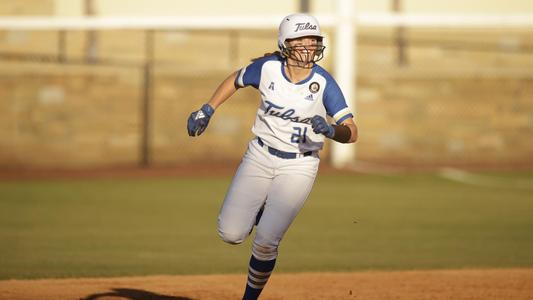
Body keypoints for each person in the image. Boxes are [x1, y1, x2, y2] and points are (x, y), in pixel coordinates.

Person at [187, 13, 358, 300]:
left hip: (299, 165)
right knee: (230, 234)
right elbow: (236, 79)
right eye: (302, 39)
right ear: (285, 43)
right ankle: (260, 208)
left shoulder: (324, 83)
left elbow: (352, 132)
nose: (309, 45)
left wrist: (331, 130)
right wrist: (208, 108)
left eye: (314, 40)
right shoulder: (267, 69)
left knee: (266, 241)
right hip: (260, 156)